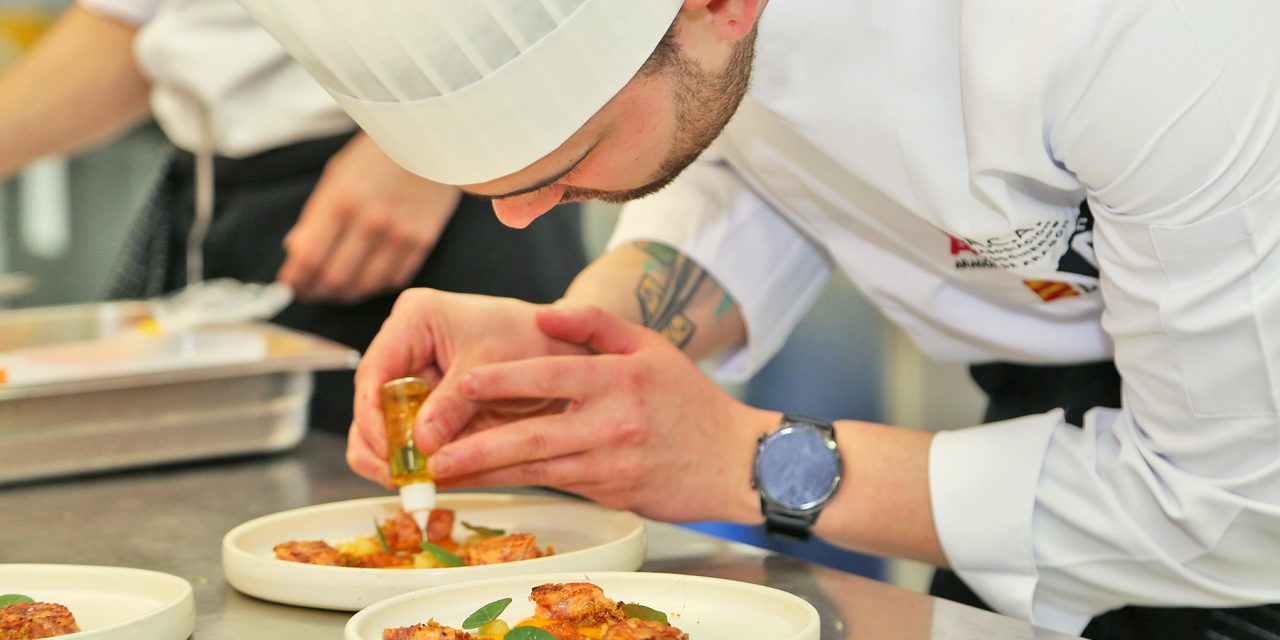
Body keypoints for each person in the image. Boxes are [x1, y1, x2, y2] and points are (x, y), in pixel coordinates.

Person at [241, 1, 1280, 637]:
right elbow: (765, 155)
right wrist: (583, 338)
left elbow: (1237, 513)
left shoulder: (1143, 32)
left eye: (562, 162)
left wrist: (743, 461)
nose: (518, 217)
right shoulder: (699, 40)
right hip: (1044, 432)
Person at [0, 1, 586, 432]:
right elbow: (131, 22)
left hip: (427, 186)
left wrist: (430, 141)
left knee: (486, 502)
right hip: (219, 194)